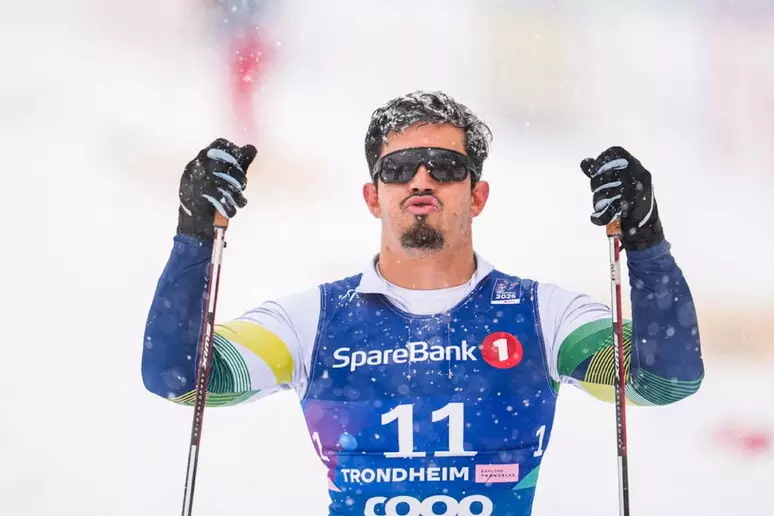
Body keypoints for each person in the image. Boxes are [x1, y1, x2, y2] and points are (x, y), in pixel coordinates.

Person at [142, 90, 704, 516]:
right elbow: (180, 378)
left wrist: (645, 240)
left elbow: (663, 381)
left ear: (477, 195)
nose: (421, 179)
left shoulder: (543, 315)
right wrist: (194, 233)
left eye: (446, 166)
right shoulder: (312, 320)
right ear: (373, 195)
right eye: (398, 168)